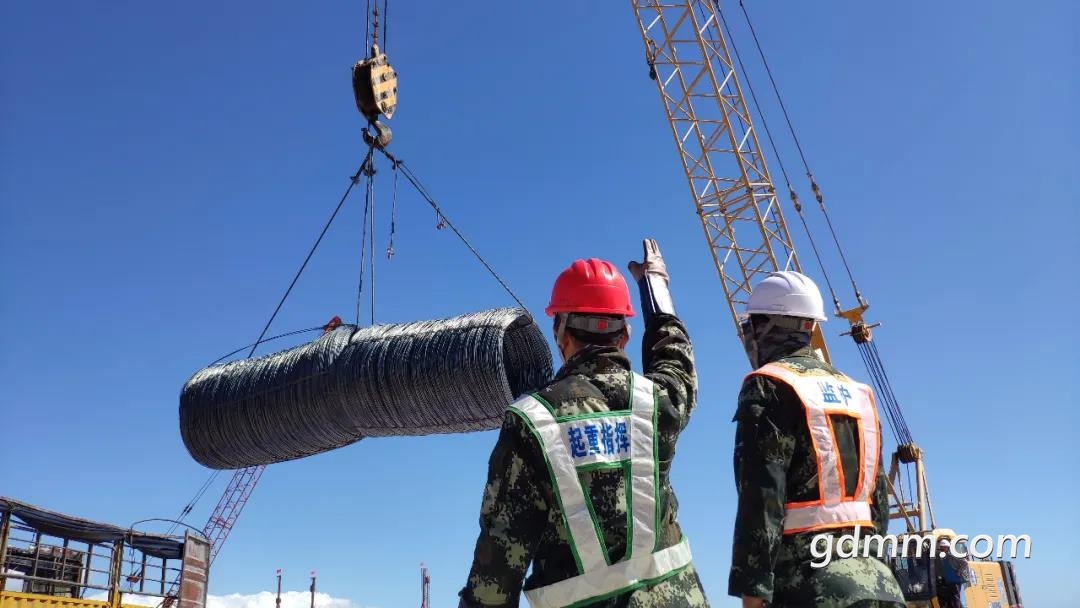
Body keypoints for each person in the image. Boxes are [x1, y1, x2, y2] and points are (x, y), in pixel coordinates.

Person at [457, 239, 709, 608]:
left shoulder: (532, 422)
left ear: (561, 333)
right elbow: (676, 359)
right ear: (624, 334)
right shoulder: (658, 402)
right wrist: (654, 286)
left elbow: (496, 572)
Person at [727, 270, 907, 608]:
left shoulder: (769, 384)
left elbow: (761, 497)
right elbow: (879, 503)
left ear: (764, 327)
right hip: (880, 585)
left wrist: (753, 591)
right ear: (810, 327)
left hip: (808, 588)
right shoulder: (860, 394)